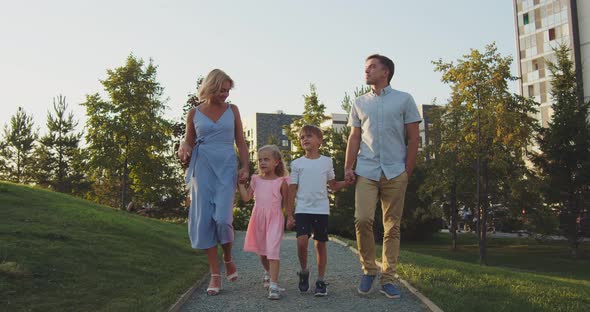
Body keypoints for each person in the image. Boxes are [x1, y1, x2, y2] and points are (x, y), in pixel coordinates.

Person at [344, 54, 421, 299]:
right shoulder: (359, 103)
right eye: (365, 68)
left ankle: (388, 278)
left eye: (372, 67)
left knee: (392, 227)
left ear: (385, 71)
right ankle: (369, 269)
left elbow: (414, 138)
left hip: (395, 171)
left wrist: (407, 170)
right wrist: (348, 167)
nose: (366, 71)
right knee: (362, 219)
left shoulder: (404, 100)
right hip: (366, 170)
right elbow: (354, 138)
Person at [178, 69, 249, 296]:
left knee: (223, 219)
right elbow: (188, 142)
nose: (225, 94)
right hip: (203, 168)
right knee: (206, 220)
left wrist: (245, 166)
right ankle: (215, 274)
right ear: (211, 86)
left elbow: (241, 141)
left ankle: (228, 257)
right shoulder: (194, 113)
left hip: (227, 166)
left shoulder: (233, 110)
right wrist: (183, 148)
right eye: (222, 89)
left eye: (228, 90)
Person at [286, 125, 348, 297]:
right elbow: (292, 189)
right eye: (302, 137)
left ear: (319, 141)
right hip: (303, 209)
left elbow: (333, 185)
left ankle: (320, 280)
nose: (305, 139)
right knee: (301, 242)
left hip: (321, 210)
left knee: (320, 244)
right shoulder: (297, 163)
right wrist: (289, 215)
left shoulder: (327, 161)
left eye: (309, 136)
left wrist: (347, 182)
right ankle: (304, 271)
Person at [238, 145, 289, 300]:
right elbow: (247, 198)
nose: (262, 162)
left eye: (266, 159)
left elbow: (287, 204)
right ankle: (267, 272)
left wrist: (291, 218)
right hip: (258, 218)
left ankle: (274, 286)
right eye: (260, 160)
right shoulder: (255, 179)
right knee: (262, 252)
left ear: (276, 162)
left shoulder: (282, 182)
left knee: (273, 250)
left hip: (275, 219)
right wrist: (240, 184)